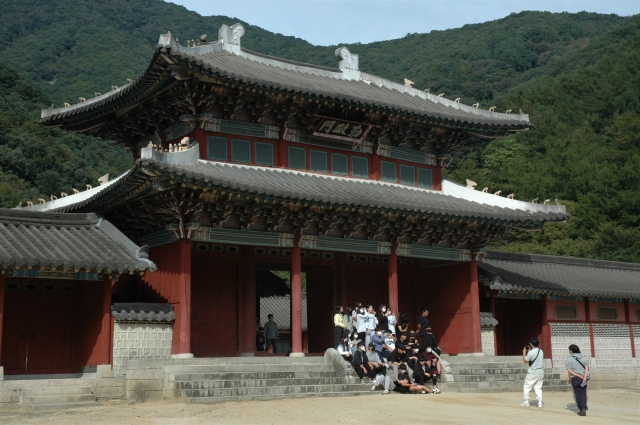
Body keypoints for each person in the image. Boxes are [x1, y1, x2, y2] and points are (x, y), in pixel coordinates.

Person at [566, 344, 589, 416]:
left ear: (571, 350)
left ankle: (580, 408)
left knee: (577, 394)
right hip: (583, 378)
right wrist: (584, 377)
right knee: (583, 393)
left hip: (575, 378)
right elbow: (587, 368)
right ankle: (584, 407)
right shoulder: (584, 357)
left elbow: (569, 370)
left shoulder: (569, 359)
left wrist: (576, 375)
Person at [521, 337, 544, 408]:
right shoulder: (541, 351)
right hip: (540, 372)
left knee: (527, 386)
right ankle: (540, 402)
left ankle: (526, 401)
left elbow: (525, 361)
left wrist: (524, 353)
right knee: (538, 387)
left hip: (532, 372)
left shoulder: (530, 352)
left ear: (531, 344)